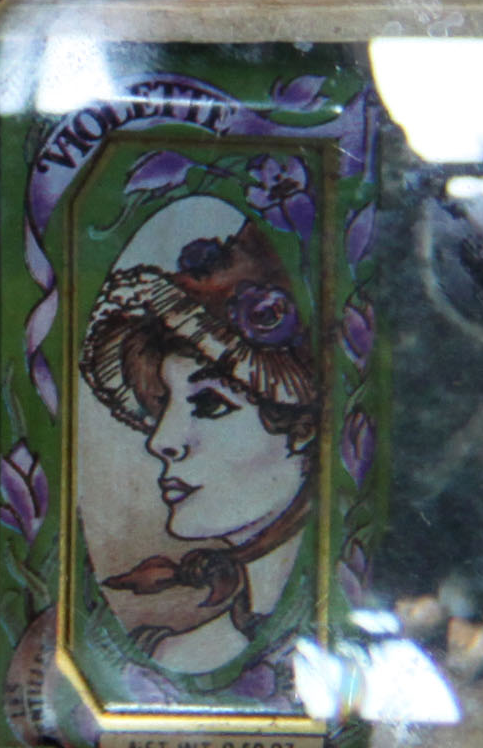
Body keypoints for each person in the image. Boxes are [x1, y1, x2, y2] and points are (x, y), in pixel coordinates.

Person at [76, 217, 325, 672]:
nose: (162, 441)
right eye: (162, 403)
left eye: (211, 405)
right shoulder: (169, 655)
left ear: (304, 427)